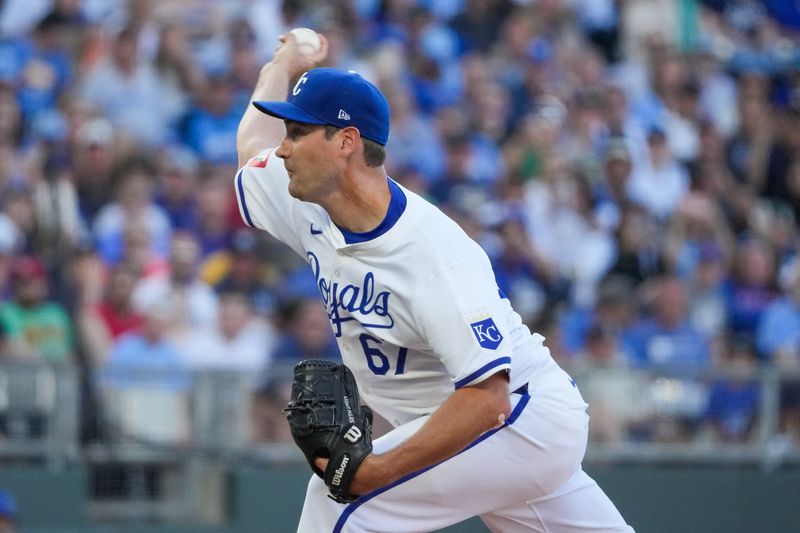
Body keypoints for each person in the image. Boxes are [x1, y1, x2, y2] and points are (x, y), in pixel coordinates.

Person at [234, 31, 633, 532]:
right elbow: (252, 143)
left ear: (345, 142)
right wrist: (282, 62)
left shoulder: (435, 256)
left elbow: (489, 398)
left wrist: (372, 472)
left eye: (297, 132)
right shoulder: (306, 201)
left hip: (518, 420)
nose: (284, 149)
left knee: (337, 499)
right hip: (467, 430)